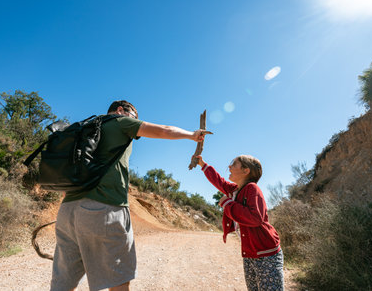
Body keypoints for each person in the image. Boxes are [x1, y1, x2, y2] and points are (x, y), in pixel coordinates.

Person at [51, 100, 210, 291]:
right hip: (104, 208)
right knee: (118, 279)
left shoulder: (85, 128)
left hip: (68, 210)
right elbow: (164, 130)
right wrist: (192, 135)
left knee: (63, 283)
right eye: (135, 118)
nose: (136, 123)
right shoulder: (119, 121)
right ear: (120, 111)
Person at [195, 155, 284, 291]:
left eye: (233, 164)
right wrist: (203, 164)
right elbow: (219, 181)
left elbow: (255, 218)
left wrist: (227, 203)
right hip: (249, 254)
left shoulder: (252, 188)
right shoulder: (235, 190)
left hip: (267, 254)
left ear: (246, 170)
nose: (229, 167)